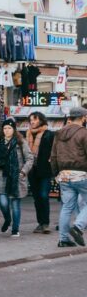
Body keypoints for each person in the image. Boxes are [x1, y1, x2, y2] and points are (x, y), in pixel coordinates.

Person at [52, 105, 87, 247]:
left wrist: (55, 173)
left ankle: (63, 239)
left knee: (66, 207)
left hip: (64, 175)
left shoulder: (59, 133)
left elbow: (53, 155)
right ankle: (78, 227)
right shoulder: (84, 133)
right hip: (81, 173)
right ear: (83, 117)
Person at [0, 118, 34, 238]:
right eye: (5, 128)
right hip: (2, 176)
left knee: (15, 205)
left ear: (14, 129)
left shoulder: (21, 142)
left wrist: (23, 172)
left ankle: (15, 229)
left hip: (16, 177)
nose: (7, 130)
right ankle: (7, 219)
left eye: (9, 128)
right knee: (3, 203)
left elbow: (30, 158)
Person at [25, 111, 55, 234]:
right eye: (31, 120)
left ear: (41, 120)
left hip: (45, 170)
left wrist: (51, 160)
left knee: (43, 195)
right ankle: (40, 223)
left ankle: (46, 223)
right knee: (37, 198)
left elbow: (54, 150)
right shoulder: (27, 134)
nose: (32, 122)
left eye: (35, 119)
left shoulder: (49, 134)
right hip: (32, 170)